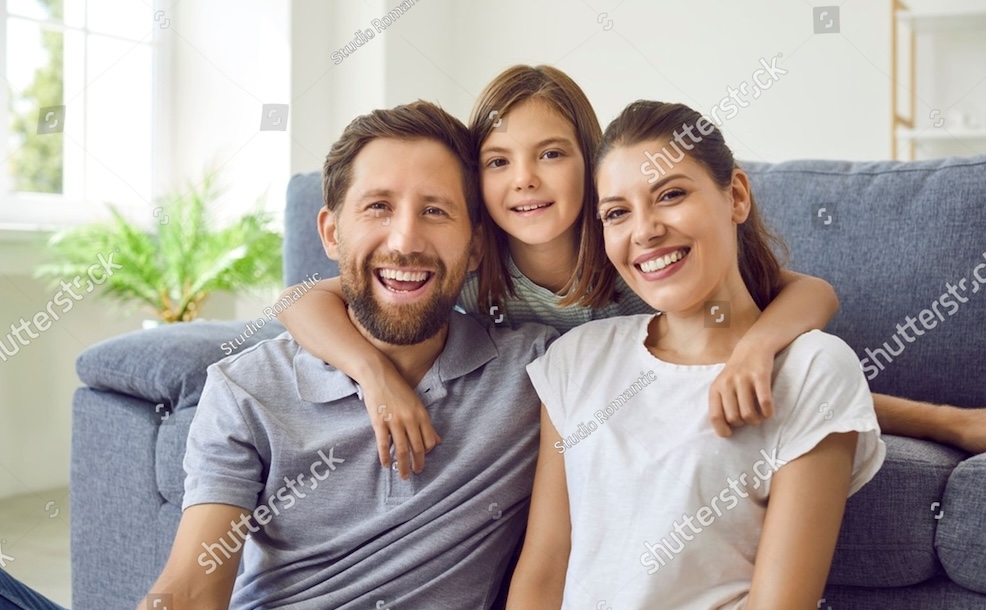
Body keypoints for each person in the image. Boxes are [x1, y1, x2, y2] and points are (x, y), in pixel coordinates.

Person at [0, 101, 555, 610]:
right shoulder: (247, 388)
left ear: (477, 245)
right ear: (332, 234)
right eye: (378, 207)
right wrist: (373, 372)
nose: (405, 239)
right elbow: (191, 588)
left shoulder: (535, 371)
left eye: (435, 210)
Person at [278, 65, 858, 481]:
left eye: (551, 154)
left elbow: (812, 292)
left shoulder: (636, 263)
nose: (525, 179)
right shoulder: (473, 268)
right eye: (498, 162)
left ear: (592, 165)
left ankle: (926, 414)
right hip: (552, 424)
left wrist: (755, 348)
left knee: (774, 382)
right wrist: (375, 376)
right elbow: (299, 301)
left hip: (655, 397)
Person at [504, 100, 887, 610]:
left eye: (671, 195)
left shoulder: (814, 370)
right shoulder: (577, 359)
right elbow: (546, 567)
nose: (644, 231)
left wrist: (755, 348)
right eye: (617, 212)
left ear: (736, 196)